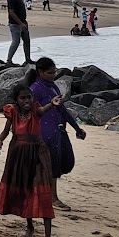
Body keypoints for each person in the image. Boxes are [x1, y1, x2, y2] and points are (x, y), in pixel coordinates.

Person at [0, 84, 59, 237]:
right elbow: (6, 131)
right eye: (22, 98)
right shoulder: (12, 113)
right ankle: (29, 224)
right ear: (16, 101)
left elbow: (43, 110)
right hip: (18, 155)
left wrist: (52, 103)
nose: (27, 101)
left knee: (43, 191)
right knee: (26, 189)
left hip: (38, 154)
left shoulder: (36, 111)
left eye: (29, 97)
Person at [28, 58, 85, 210]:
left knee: (65, 162)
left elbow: (62, 110)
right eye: (49, 72)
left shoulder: (53, 87)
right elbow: (29, 111)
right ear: (40, 72)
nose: (53, 75)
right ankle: (52, 198)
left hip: (58, 130)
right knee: (50, 165)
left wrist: (77, 129)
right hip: (43, 132)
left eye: (54, 72)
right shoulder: (35, 89)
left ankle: (43, 194)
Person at [4, 0, 32, 66]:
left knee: (27, 41)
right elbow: (11, 12)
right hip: (15, 24)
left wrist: (24, 22)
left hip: (23, 22)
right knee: (16, 42)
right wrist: (20, 23)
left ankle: (28, 59)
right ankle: (9, 61)